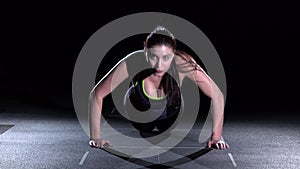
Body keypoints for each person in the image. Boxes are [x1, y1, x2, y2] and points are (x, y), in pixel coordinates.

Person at [89, 26, 229, 150]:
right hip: (138, 112)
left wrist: (217, 137)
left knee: (165, 129)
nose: (159, 65)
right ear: (145, 51)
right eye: (153, 57)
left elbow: (217, 95)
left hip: (170, 115)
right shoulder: (133, 62)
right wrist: (95, 137)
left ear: (173, 54)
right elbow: (97, 94)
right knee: (144, 125)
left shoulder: (182, 64)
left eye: (166, 58)